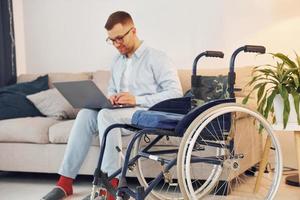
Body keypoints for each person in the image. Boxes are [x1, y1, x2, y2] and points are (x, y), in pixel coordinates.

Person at [42, 11, 182, 200]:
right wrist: (111, 99)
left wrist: (137, 99)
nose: (117, 44)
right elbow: (113, 90)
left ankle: (110, 187)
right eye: (111, 40)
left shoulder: (158, 58)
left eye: (119, 38)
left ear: (133, 31)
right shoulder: (116, 61)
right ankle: (65, 183)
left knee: (105, 116)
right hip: (118, 114)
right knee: (85, 114)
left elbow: (176, 94)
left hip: (144, 114)